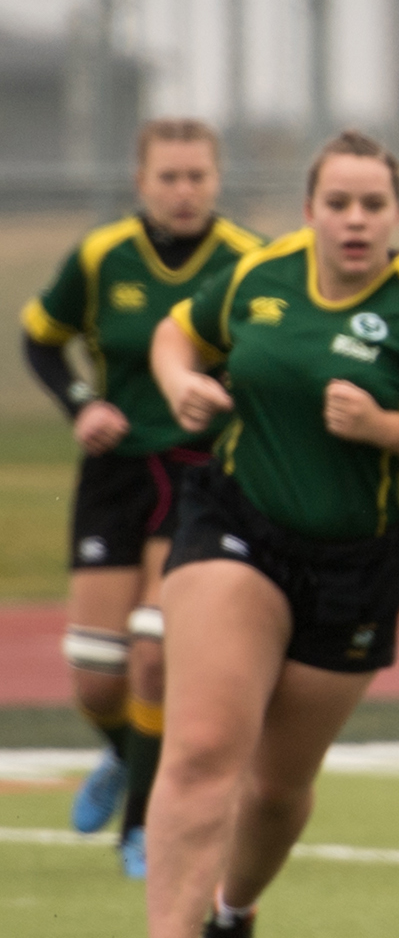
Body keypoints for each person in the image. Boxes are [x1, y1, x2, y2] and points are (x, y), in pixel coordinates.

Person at [132, 130, 399, 938]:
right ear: (310, 209)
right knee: (207, 742)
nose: (354, 220)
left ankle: (234, 909)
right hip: (237, 526)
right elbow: (176, 334)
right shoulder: (263, 276)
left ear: (395, 215)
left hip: (356, 563)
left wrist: (387, 428)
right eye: (337, 203)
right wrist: (181, 380)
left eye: (372, 205)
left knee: (276, 784)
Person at [19, 118, 260, 879]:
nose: (184, 192)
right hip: (114, 474)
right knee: (97, 675)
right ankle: (127, 758)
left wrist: (219, 392)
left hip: (198, 475)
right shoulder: (101, 256)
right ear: (141, 181)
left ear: (217, 180)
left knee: (154, 654)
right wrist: (83, 402)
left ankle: (141, 827)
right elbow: (39, 336)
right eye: (169, 177)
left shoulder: (249, 262)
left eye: (198, 176)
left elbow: (270, 358)